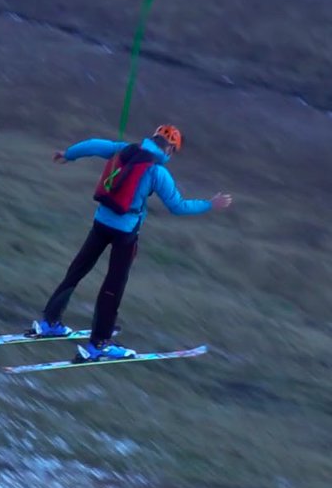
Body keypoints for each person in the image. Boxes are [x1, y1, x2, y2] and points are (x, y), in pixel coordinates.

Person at [30, 124, 233, 361]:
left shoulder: (125, 149)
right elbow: (178, 207)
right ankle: (99, 344)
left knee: (77, 269)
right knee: (112, 287)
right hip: (125, 234)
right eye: (173, 151)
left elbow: (94, 145)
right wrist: (210, 204)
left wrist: (68, 154)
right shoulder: (157, 172)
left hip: (101, 222)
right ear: (168, 147)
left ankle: (49, 322)